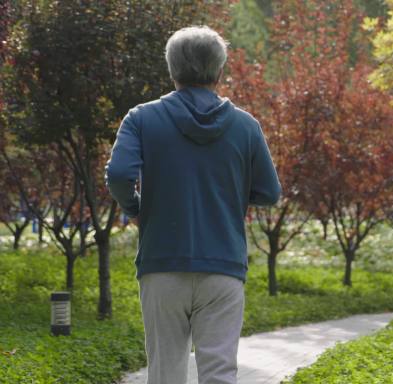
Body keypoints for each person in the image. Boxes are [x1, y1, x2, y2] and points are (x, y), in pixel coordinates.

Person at [105, 26, 281, 384]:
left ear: (171, 71)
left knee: (165, 372)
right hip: (223, 266)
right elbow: (269, 192)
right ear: (220, 71)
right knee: (219, 373)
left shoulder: (141, 118)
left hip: (162, 263)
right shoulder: (246, 127)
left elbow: (120, 173)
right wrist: (226, 194)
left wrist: (135, 208)